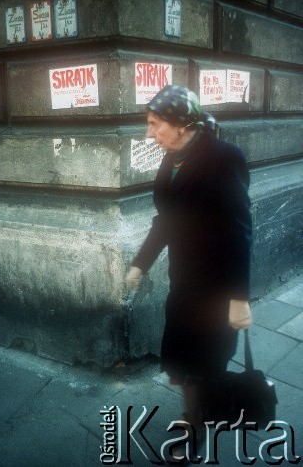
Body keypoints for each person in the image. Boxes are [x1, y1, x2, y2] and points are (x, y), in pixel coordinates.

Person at [125, 85, 252, 455]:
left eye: (154, 124)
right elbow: (165, 219)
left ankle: (196, 424)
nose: (149, 133)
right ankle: (198, 410)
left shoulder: (224, 158)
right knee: (184, 353)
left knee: (204, 356)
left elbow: (239, 231)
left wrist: (239, 298)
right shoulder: (173, 156)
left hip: (216, 282)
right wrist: (141, 263)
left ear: (180, 123)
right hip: (183, 279)